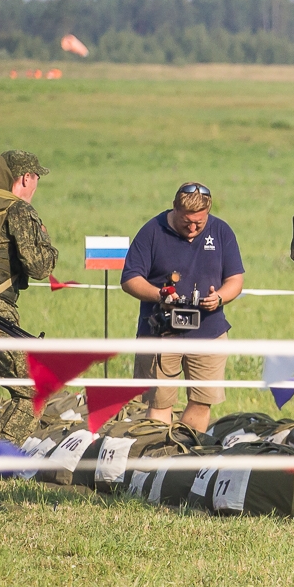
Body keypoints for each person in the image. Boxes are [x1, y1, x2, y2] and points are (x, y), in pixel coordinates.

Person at [122, 182, 245, 433]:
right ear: (175, 209)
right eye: (186, 221)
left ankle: (185, 456)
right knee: (159, 403)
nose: (192, 228)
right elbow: (130, 279)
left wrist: (219, 298)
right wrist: (159, 294)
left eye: (199, 223)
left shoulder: (222, 232)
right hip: (161, 331)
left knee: (202, 401)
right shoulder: (152, 232)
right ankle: (155, 461)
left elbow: (235, 280)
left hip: (209, 331)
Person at [0, 150, 59, 445]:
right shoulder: (17, 210)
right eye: (35, 178)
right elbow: (40, 267)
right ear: (25, 178)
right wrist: (45, 240)